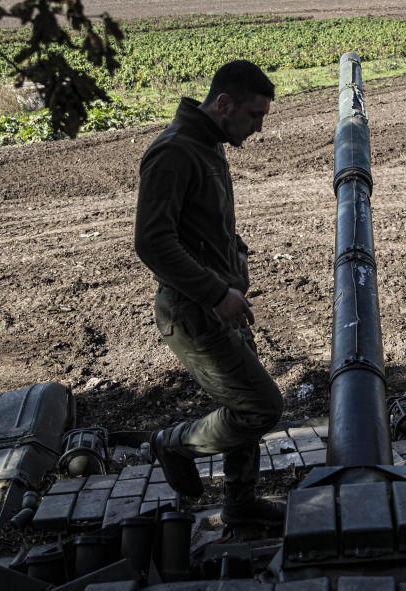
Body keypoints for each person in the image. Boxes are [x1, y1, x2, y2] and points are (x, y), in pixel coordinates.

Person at [134, 60, 284, 526]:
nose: (258, 128)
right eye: (253, 116)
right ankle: (172, 444)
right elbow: (153, 242)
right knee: (261, 407)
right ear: (223, 103)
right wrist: (217, 292)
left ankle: (241, 504)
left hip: (222, 305)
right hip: (195, 311)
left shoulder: (209, 143)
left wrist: (236, 252)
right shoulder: (175, 152)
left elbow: (203, 223)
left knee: (242, 403)